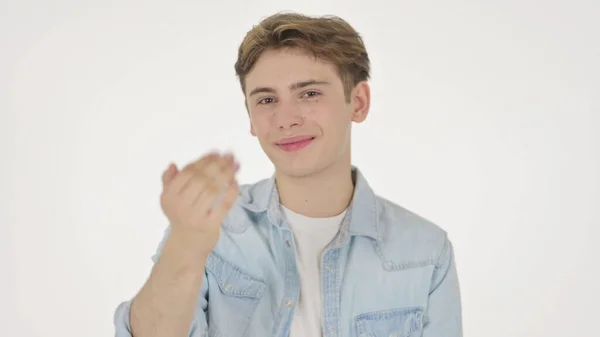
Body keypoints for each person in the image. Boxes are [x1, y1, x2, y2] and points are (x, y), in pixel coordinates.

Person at [114, 12, 462, 337]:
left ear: (358, 102)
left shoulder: (426, 252)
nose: (286, 119)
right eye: (266, 100)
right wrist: (186, 244)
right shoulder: (208, 227)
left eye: (309, 93)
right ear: (250, 117)